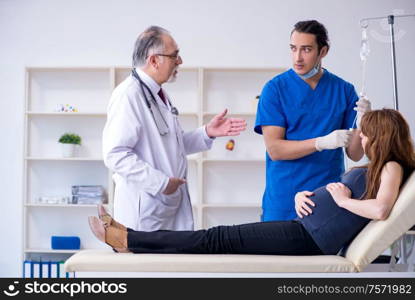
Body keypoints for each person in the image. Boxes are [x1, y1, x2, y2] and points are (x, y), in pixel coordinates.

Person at [91, 109, 415, 256]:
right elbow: (360, 201)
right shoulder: (381, 167)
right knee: (217, 238)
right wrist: (308, 194)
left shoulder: (391, 168)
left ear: (382, 135)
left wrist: (343, 201)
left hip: (306, 237)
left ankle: (130, 239)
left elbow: (381, 208)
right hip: (303, 227)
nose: (363, 137)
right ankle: (129, 236)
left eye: (366, 132)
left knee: (217, 239)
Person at [102, 26, 246, 232]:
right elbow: (115, 155)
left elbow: (169, 145)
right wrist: (161, 183)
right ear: (154, 60)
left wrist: (207, 132)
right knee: (146, 264)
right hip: (146, 209)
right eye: (174, 55)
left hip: (165, 206)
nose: (180, 61)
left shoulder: (158, 94)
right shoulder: (128, 95)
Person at [254, 20, 371, 221]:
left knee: (325, 253)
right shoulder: (275, 89)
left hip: (328, 197)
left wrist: (363, 122)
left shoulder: (344, 90)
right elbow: (275, 149)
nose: (297, 58)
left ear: (323, 51)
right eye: (293, 49)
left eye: (306, 50)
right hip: (284, 199)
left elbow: (354, 154)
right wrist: (321, 143)